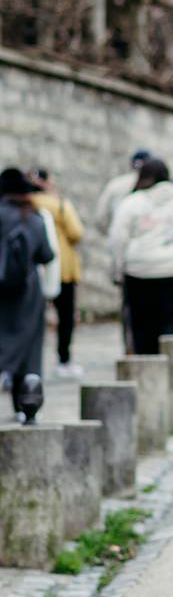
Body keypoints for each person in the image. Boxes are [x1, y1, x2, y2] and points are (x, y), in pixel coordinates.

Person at [109, 158, 173, 356]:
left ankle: (148, 373)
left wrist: (117, 270)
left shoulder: (131, 204)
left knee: (143, 327)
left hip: (141, 272)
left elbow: (117, 239)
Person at [0, 168, 55, 422]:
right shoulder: (34, 217)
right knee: (29, 351)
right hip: (28, 293)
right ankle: (25, 407)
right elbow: (47, 255)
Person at [31, 169, 85, 378]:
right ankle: (64, 359)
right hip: (62, 267)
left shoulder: (28, 205)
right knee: (65, 317)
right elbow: (76, 232)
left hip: (35, 270)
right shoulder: (60, 204)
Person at [94, 148, 151, 236]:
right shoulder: (152, 188)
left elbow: (101, 217)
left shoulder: (116, 184)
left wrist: (112, 233)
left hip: (116, 237)